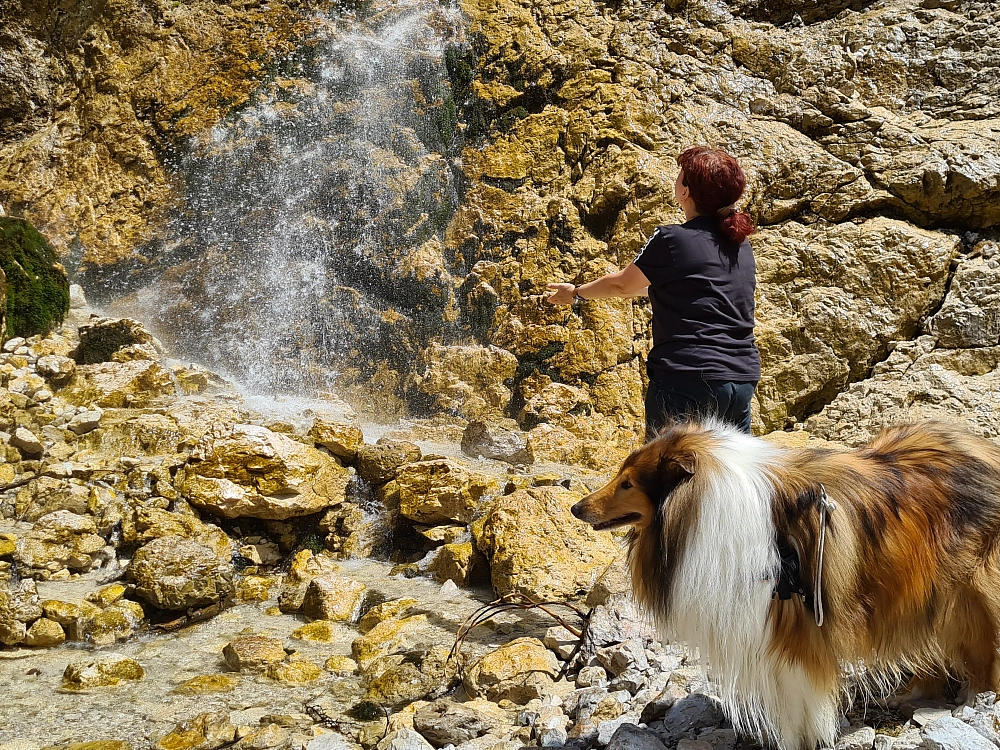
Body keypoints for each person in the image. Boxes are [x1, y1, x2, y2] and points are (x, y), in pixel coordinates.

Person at [546, 146, 760, 439]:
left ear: (686, 192)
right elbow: (695, 289)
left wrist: (577, 293)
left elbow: (623, 284)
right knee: (730, 480)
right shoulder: (740, 245)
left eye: (680, 176)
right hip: (740, 380)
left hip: (687, 378)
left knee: (666, 479)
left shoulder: (672, 239)